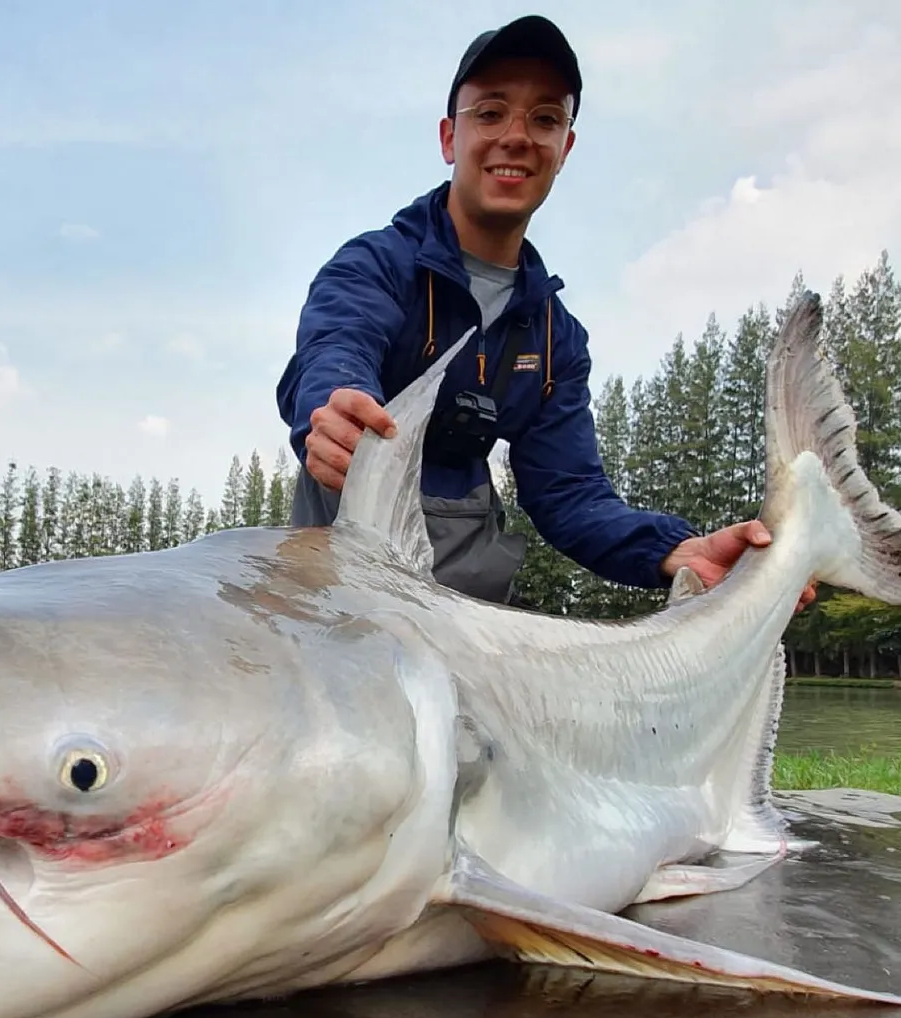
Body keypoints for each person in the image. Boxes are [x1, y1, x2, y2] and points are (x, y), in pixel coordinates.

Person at [275, 15, 814, 611]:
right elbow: (334, 347)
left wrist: (678, 552)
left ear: (565, 149)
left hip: (471, 625)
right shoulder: (375, 264)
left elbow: (571, 496)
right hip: (337, 607)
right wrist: (330, 410)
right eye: (490, 112)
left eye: (545, 118)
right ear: (449, 137)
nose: (516, 136)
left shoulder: (557, 339)